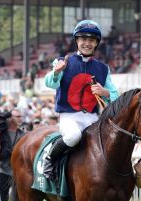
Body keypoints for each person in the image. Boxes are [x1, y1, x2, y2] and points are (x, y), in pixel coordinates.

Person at [43, 20, 119, 179]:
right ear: (76, 41)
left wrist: (105, 92)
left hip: (92, 118)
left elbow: (116, 97)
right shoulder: (63, 61)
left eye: (91, 40)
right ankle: (49, 159)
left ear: (96, 43)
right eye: (83, 39)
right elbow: (50, 83)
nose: (87, 43)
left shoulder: (103, 69)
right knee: (73, 137)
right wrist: (56, 73)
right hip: (68, 116)